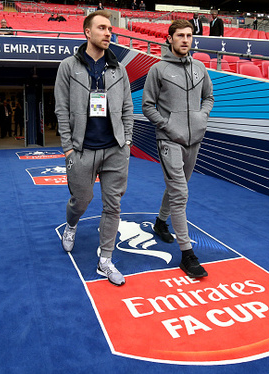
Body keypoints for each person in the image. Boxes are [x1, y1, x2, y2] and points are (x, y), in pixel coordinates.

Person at [55, 10, 133, 287]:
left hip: (115, 148)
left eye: (110, 29)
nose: (108, 33)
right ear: (87, 32)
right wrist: (67, 148)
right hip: (81, 149)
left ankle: (106, 260)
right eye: (102, 28)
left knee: (113, 205)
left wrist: (127, 143)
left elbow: (127, 108)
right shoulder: (68, 66)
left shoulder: (118, 69)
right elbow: (61, 109)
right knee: (82, 200)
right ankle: (72, 224)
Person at [142, 19, 214, 278]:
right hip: (169, 139)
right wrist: (167, 126)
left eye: (189, 36)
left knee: (177, 185)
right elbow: (147, 106)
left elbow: (209, 97)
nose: (185, 40)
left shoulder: (200, 67)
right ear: (170, 39)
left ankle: (161, 222)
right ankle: (188, 254)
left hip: (195, 138)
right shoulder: (158, 70)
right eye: (180, 35)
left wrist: (201, 117)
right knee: (180, 193)